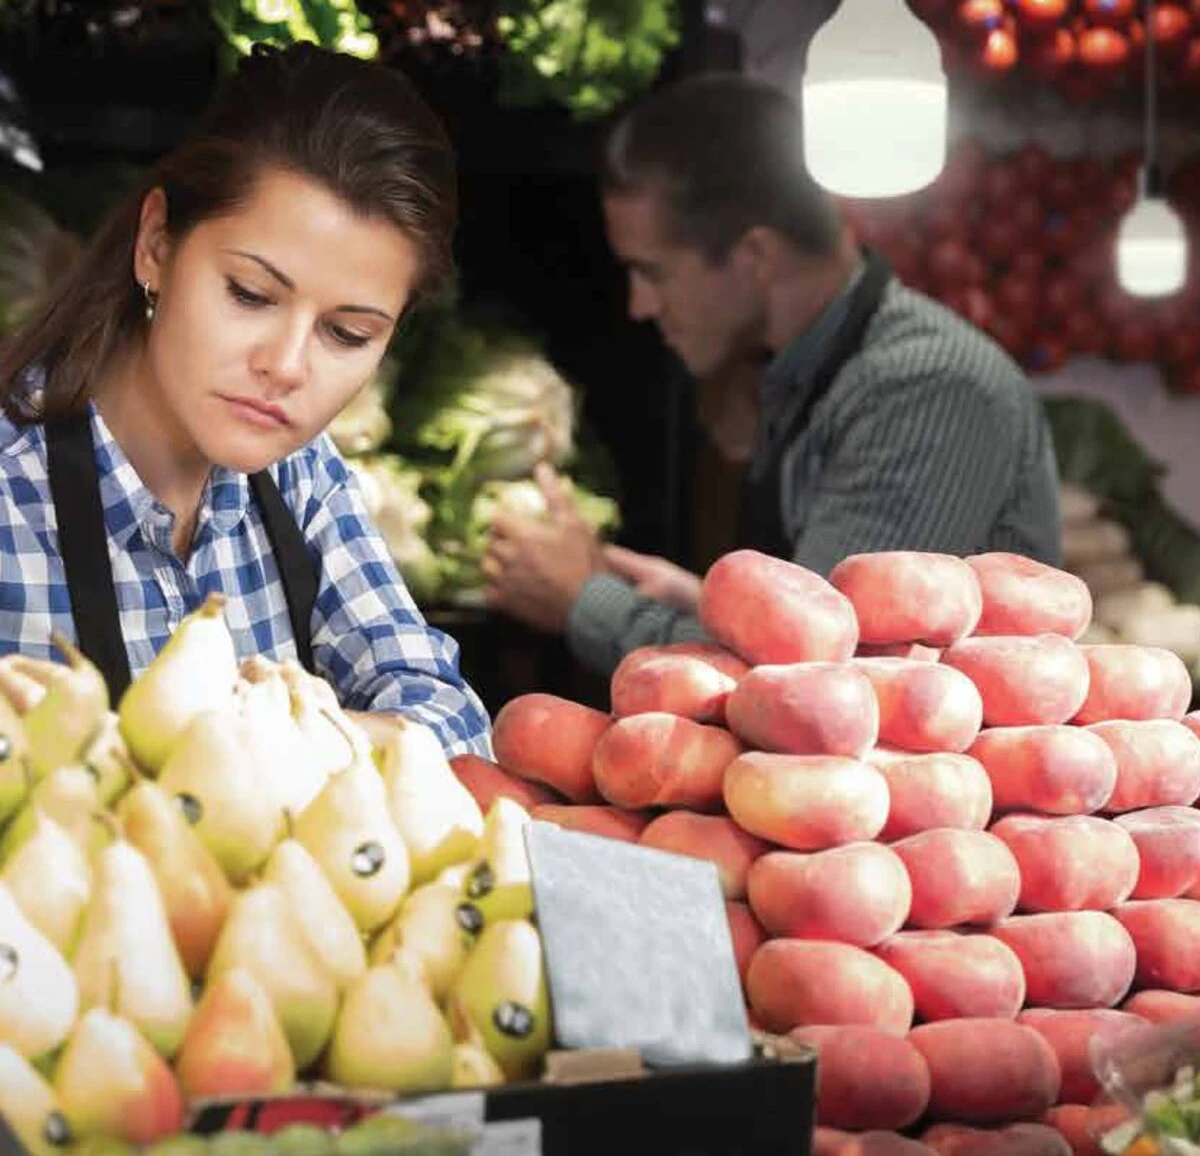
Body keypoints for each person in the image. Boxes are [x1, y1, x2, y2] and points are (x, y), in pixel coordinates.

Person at [0, 43, 491, 758]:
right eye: (251, 295)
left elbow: (451, 721)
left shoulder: (301, 479)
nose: (286, 367)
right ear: (156, 246)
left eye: (347, 333)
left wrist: (253, 743)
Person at [483, 72, 1062, 677]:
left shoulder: (927, 389)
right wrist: (704, 603)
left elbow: (823, 671)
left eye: (652, 273)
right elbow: (813, 626)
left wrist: (586, 604)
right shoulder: (812, 368)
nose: (639, 305)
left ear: (754, 257)